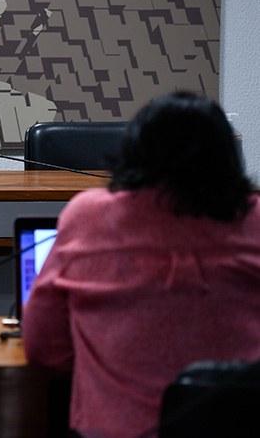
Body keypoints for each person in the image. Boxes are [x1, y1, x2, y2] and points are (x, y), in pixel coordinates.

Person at [23, 91, 260, 438]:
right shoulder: (255, 219)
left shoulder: (89, 215)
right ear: (226, 154)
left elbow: (44, 349)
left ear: (134, 149)